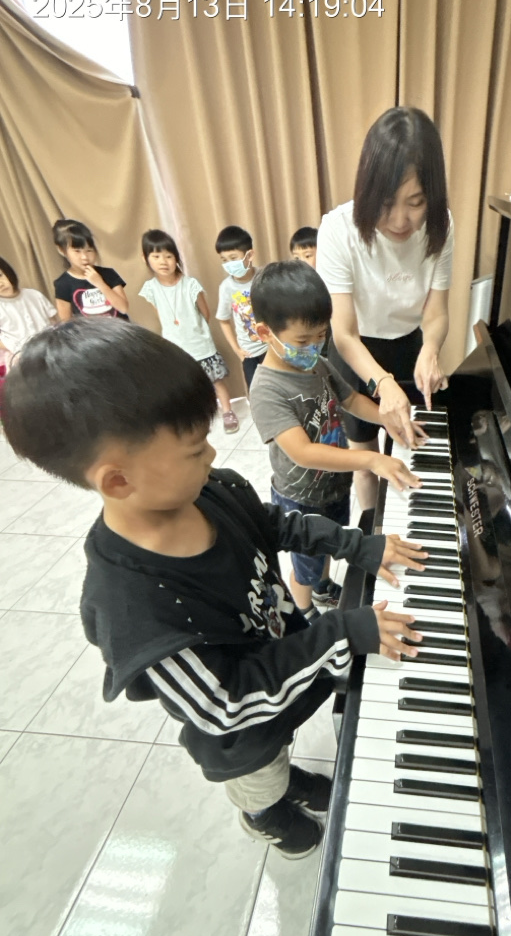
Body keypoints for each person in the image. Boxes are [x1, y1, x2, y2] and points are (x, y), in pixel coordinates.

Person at [0, 319, 427, 857]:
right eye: (194, 448)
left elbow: (276, 525)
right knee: (261, 772)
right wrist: (340, 632)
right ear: (118, 480)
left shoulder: (211, 491)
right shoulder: (136, 612)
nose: (212, 456)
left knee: (281, 741)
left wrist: (356, 545)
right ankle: (264, 813)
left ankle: (284, 779)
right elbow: (227, 704)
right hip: (241, 737)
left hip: (281, 671)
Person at [250, 260, 422, 618]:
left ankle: (323, 587)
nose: (314, 347)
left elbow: (351, 399)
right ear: (265, 333)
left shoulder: (317, 363)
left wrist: (387, 419)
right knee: (305, 567)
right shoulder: (267, 389)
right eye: (302, 340)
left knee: (329, 545)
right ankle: (304, 609)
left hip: (333, 487)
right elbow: (303, 452)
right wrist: (371, 458)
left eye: (321, 336)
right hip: (300, 499)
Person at [317, 106, 454, 509]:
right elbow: (343, 333)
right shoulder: (338, 229)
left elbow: (436, 312)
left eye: (416, 202)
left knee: (411, 447)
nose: (399, 220)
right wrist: (383, 383)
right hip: (355, 353)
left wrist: (430, 350)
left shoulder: (441, 225)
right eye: (387, 202)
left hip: (409, 344)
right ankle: (372, 531)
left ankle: (407, 523)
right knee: (367, 462)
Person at [139, 229, 239, 434]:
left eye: (168, 256)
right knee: (188, 386)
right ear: (145, 259)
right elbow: (161, 316)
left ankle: (228, 412)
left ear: (176, 258)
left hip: (200, 344)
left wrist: (196, 331)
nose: (163, 261)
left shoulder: (190, 284)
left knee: (216, 381)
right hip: (176, 347)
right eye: (156, 256)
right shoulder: (151, 288)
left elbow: (205, 313)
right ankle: (197, 417)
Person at [214, 225, 267, 389]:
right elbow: (223, 320)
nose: (229, 264)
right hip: (249, 353)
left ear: (249, 255)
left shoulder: (265, 277)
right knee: (256, 391)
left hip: (271, 347)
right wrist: (237, 349)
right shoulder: (226, 288)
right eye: (224, 260)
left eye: (233, 258)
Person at [52, 219, 129, 321]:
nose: (84, 257)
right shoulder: (63, 283)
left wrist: (100, 283)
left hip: (120, 329)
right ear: (62, 250)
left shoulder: (108, 274)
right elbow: (66, 322)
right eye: (77, 251)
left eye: (89, 250)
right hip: (90, 331)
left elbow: (123, 308)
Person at [0, 256, 57, 356]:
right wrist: (13, 347)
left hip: (49, 349)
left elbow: (53, 321)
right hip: (20, 355)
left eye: (0, 276)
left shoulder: (34, 295)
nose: (0, 284)